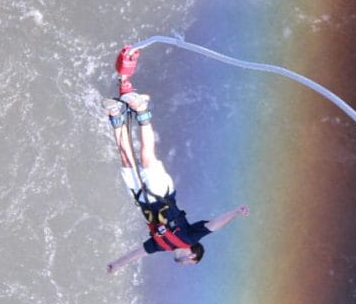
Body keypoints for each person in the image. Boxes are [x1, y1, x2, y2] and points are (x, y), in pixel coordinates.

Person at [103, 90, 249, 274]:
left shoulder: (160, 246)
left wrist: (116, 264)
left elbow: (136, 254)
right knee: (147, 158)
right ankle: (141, 110)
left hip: (142, 199)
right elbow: (214, 225)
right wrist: (236, 211)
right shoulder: (190, 237)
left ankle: (115, 115)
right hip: (162, 194)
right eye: (190, 264)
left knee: (126, 159)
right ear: (192, 256)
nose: (184, 265)